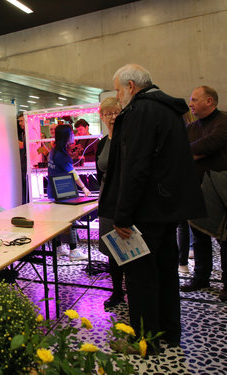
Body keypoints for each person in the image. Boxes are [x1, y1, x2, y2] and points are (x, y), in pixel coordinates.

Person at [99, 64, 205, 349]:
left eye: (119, 91)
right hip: (167, 210)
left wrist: (123, 214)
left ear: (131, 86)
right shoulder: (170, 109)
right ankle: (169, 333)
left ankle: (145, 340)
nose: (118, 98)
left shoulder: (140, 112)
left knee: (141, 278)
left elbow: (136, 168)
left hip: (145, 211)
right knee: (165, 273)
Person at [180, 86, 227, 301]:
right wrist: (197, 153)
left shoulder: (223, 121)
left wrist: (196, 151)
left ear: (210, 101)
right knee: (198, 237)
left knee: (225, 238)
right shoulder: (191, 127)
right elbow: (183, 150)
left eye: (194, 100)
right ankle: (201, 277)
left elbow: (213, 143)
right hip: (196, 189)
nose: (191, 104)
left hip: (220, 191)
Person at [95, 97, 125, 308]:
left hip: (126, 201)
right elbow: (100, 173)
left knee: (131, 249)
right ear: (102, 116)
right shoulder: (102, 143)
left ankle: (134, 289)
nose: (113, 117)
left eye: (116, 112)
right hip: (107, 202)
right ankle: (117, 292)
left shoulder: (129, 139)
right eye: (108, 113)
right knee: (112, 252)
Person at [47, 125, 91, 261]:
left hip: (53, 192)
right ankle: (73, 251)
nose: (74, 135)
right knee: (70, 221)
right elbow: (72, 173)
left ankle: (59, 247)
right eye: (72, 133)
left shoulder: (53, 151)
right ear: (67, 135)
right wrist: (84, 188)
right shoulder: (62, 154)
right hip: (64, 193)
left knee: (58, 222)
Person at [17, 112, 28, 204]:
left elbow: (25, 146)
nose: (20, 123)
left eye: (21, 121)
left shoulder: (29, 133)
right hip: (23, 166)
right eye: (19, 121)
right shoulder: (23, 134)